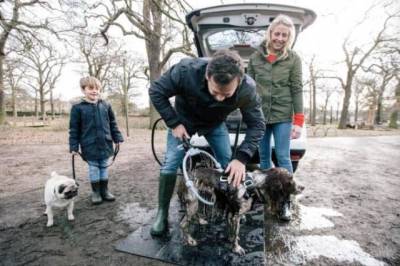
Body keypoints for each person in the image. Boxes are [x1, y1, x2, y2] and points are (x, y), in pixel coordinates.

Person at [149, 49, 265, 236]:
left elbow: (258, 124)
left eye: (226, 95)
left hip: (215, 124)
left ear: (239, 82)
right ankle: (161, 214)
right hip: (183, 120)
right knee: (170, 164)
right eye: (215, 92)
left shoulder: (247, 89)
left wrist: (242, 158)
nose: (219, 98)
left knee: (228, 164)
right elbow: (156, 91)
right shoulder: (185, 71)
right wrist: (174, 123)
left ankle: (229, 205)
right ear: (207, 75)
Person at [247, 14, 305, 221]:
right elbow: (249, 88)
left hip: (282, 115)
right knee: (263, 158)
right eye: (277, 33)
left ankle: (287, 202)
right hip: (260, 115)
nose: (280, 38)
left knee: (282, 157)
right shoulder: (255, 58)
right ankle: (269, 195)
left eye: (285, 35)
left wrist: (298, 121)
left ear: (289, 38)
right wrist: (247, 112)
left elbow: (297, 89)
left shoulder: (293, 58)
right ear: (270, 33)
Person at [69, 76, 124, 205]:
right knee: (94, 168)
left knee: (104, 166)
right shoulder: (78, 108)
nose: (94, 91)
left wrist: (117, 137)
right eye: (91, 88)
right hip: (89, 145)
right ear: (83, 90)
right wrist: (73, 146)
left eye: (97, 88)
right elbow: (74, 129)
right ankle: (96, 192)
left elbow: (112, 123)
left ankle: (105, 191)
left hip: (105, 142)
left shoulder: (105, 105)